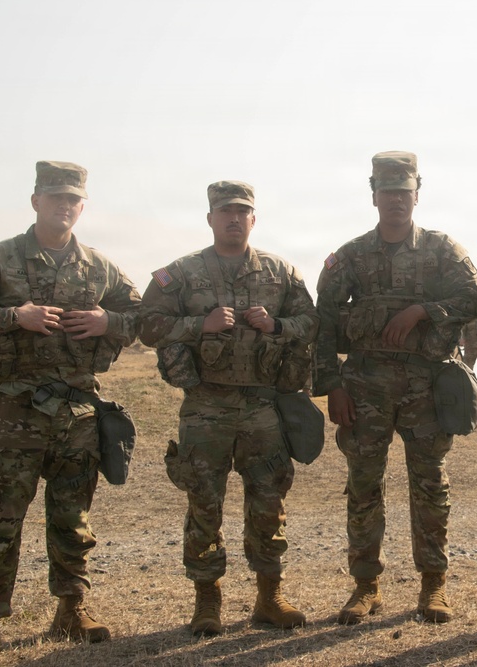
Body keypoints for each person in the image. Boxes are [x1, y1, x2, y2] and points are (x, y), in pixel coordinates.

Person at [0, 161, 142, 666]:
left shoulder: (100, 267)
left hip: (78, 412)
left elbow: (144, 317)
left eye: (73, 199)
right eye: (55, 198)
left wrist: (107, 320)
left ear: (82, 205)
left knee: (73, 520)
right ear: (35, 201)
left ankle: (71, 610)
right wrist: (13, 316)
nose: (65, 206)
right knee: (0, 521)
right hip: (17, 413)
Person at [139, 181, 318, 633]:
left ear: (254, 219)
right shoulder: (180, 274)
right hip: (206, 405)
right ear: (211, 218)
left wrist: (276, 324)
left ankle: (269, 597)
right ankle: (207, 602)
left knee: (269, 501)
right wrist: (201, 324)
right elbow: (148, 325)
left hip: (263, 406)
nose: (234, 218)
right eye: (225, 211)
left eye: (242, 211)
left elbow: (312, 323)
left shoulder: (281, 272)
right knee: (204, 501)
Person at [312, 151, 477, 624]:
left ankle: (434, 586)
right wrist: (331, 386)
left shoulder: (443, 250)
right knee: (364, 485)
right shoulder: (349, 255)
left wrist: (422, 311)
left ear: (416, 194)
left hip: (427, 385)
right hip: (364, 384)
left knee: (430, 485)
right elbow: (322, 322)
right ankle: (365, 586)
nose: (395, 200)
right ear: (373, 195)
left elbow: (473, 298)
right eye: (387, 192)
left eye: (403, 192)